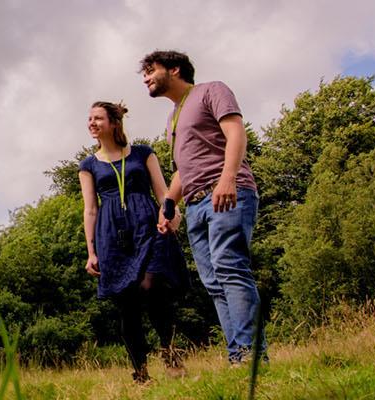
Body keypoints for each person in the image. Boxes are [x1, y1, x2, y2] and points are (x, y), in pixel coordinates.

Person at [142, 50, 263, 366]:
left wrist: (228, 178)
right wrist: (168, 203)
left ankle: (249, 354)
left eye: (150, 70)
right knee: (213, 281)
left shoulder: (212, 90)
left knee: (230, 266)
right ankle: (238, 354)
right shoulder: (173, 119)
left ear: (175, 69)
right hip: (195, 206)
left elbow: (236, 132)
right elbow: (183, 169)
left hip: (226, 194)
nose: (145, 78)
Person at [79, 101, 188, 383]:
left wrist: (173, 216)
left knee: (153, 288)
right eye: (89, 118)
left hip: (149, 227)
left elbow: (164, 192)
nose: (91, 123)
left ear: (114, 122)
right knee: (126, 303)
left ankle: (171, 355)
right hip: (112, 235)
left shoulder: (142, 153)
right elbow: (90, 209)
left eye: (98, 118)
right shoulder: (88, 165)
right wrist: (91, 251)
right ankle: (140, 374)